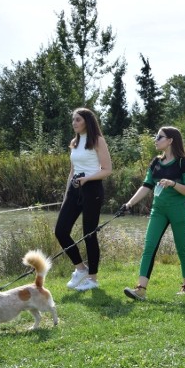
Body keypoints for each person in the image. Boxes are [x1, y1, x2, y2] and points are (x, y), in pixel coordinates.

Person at [120, 127, 185, 300]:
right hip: (158, 211)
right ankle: (140, 290)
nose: (156, 140)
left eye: (159, 137)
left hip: (179, 211)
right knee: (149, 247)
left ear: (170, 140)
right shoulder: (155, 162)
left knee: (182, 249)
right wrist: (129, 204)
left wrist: (173, 184)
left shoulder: (183, 163)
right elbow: (146, 186)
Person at [55, 108, 113, 292]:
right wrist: (66, 195)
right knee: (61, 231)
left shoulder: (97, 140)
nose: (74, 123)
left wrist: (87, 179)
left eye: (77, 120)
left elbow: (107, 169)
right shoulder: (74, 142)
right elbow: (72, 171)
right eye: (73, 120)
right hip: (75, 189)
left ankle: (93, 279)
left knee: (89, 234)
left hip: (92, 188)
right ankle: (80, 269)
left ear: (87, 121)